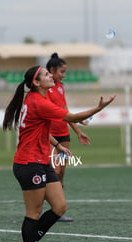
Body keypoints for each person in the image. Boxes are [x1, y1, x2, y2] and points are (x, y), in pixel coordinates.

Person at [3, 65, 115, 242]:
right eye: (46, 74)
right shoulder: (38, 102)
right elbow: (73, 118)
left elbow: (40, 130)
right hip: (29, 163)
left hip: (41, 161)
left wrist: (58, 146)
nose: (50, 75)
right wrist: (99, 108)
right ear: (36, 83)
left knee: (60, 206)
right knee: (33, 212)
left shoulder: (34, 100)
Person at [46, 53, 90, 222]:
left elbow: (65, 111)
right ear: (52, 70)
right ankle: (54, 208)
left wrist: (78, 131)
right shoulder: (45, 88)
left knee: (62, 171)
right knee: (55, 170)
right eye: (62, 72)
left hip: (63, 133)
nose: (64, 75)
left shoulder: (60, 87)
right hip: (51, 135)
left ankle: (58, 209)